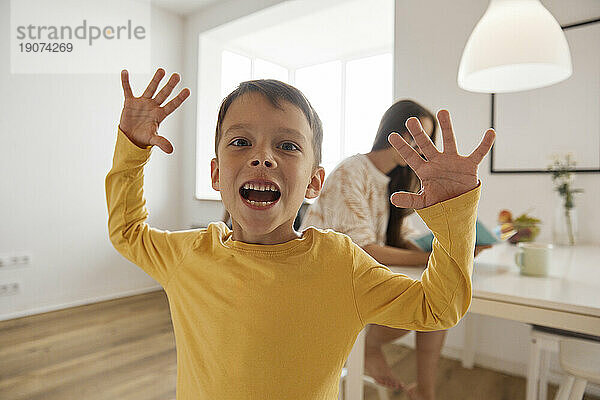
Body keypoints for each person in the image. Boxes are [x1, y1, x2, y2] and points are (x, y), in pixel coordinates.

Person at [105, 68, 496, 399]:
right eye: (241, 142)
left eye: (287, 145)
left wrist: (456, 215)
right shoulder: (188, 254)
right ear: (217, 175)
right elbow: (126, 230)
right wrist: (132, 149)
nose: (262, 156)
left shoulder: (340, 263)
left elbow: (438, 308)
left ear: (314, 182)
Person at [300, 99, 492, 399]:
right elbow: (366, 249)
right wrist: (429, 257)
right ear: (395, 130)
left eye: (427, 141)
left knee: (436, 300)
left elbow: (401, 234)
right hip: (322, 277)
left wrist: (455, 243)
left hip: (356, 275)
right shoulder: (353, 170)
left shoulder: (395, 180)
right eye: (418, 138)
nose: (421, 149)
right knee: (426, 302)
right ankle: (370, 346)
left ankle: (424, 392)